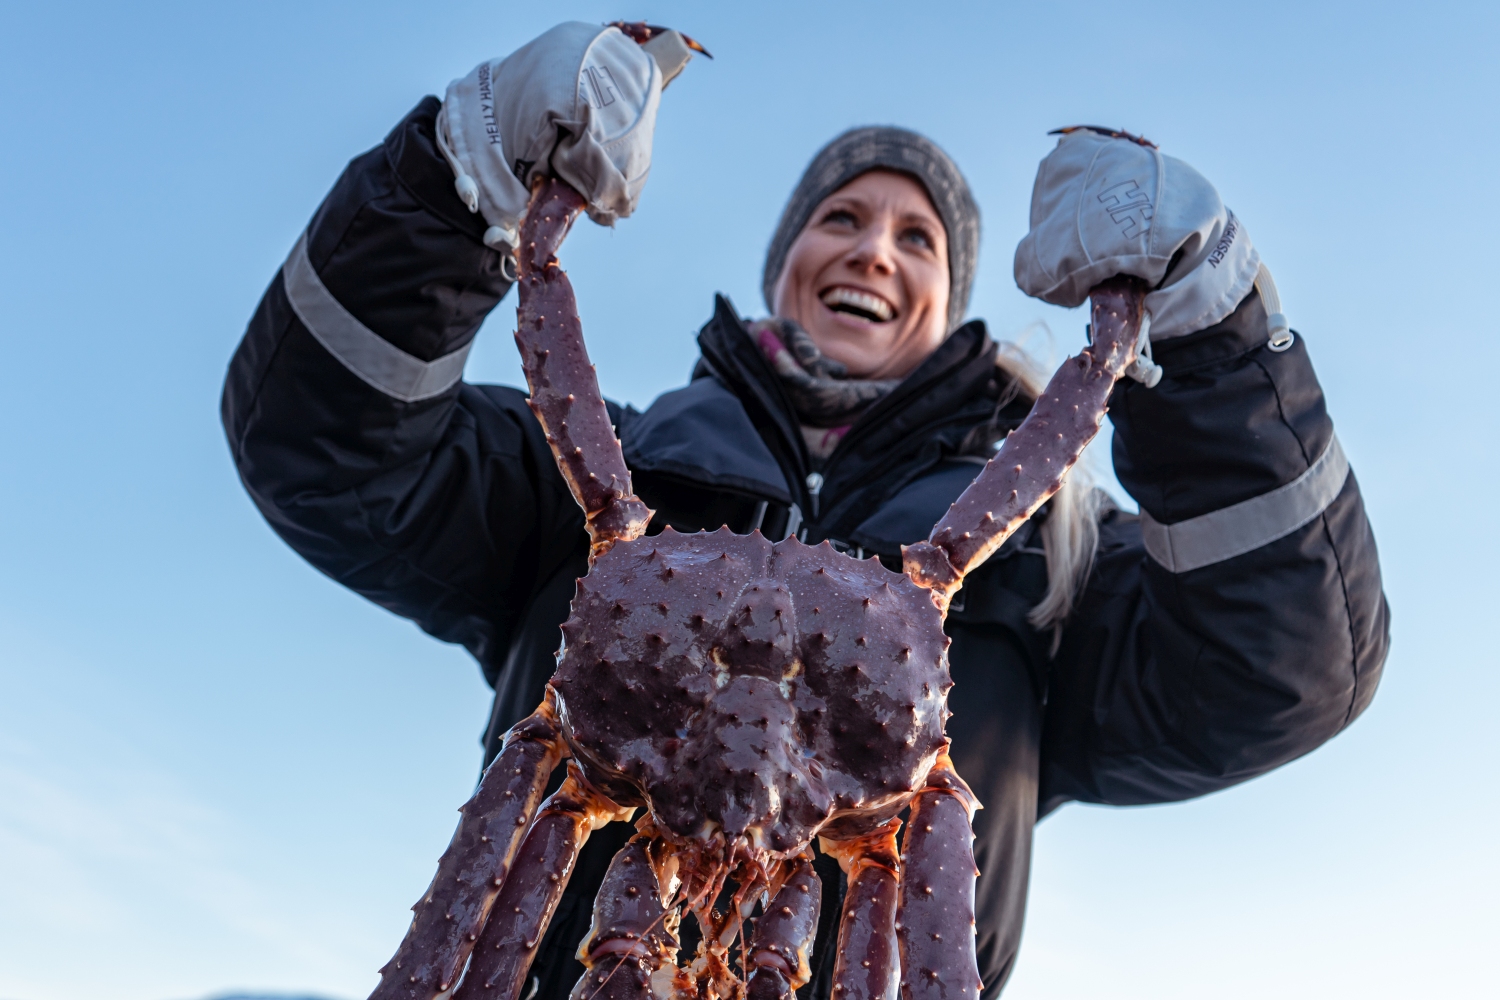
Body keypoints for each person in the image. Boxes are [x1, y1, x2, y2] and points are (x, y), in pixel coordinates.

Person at [221, 22, 1388, 999]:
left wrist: (1207, 331)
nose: (874, 250)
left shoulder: (1048, 552)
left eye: (917, 236)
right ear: (787, 261)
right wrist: (455, 175)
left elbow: (1281, 669)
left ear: (949, 293)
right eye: (841, 218)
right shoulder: (595, 469)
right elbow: (322, 449)